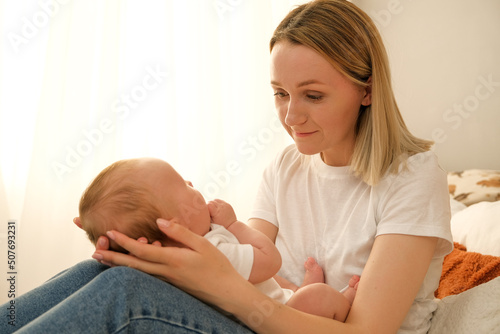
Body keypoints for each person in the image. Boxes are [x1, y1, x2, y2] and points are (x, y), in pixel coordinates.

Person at [0, 1, 453, 333]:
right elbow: (256, 265)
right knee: (109, 272)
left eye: (313, 95)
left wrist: (222, 283)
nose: (291, 116)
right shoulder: (286, 167)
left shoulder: (413, 177)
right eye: (280, 92)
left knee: (124, 294)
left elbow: (364, 332)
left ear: (367, 90)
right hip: (268, 319)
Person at [76, 157, 358, 321]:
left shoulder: (163, 263)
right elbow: (269, 260)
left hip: (265, 307)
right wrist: (234, 225)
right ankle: (340, 302)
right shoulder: (213, 251)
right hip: (275, 320)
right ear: (172, 226)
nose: (190, 183)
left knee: (89, 273)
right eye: (181, 184)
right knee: (318, 297)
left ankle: (299, 292)